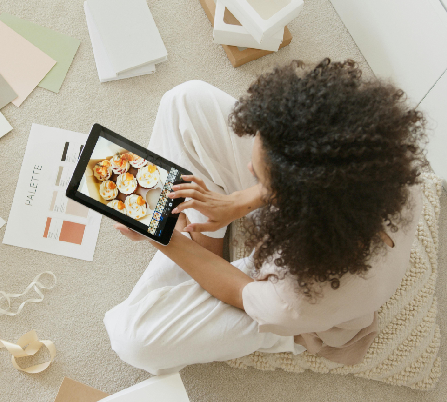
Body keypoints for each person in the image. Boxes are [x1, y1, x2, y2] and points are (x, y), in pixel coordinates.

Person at [103, 59, 428, 375]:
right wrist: (238, 202)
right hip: (313, 214)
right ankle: (205, 242)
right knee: (185, 101)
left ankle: (199, 248)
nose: (248, 168)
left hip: (289, 297)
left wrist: (165, 238)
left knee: (132, 339)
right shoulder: (385, 170)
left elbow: (238, 291)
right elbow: (312, 180)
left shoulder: (300, 299)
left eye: (259, 176)